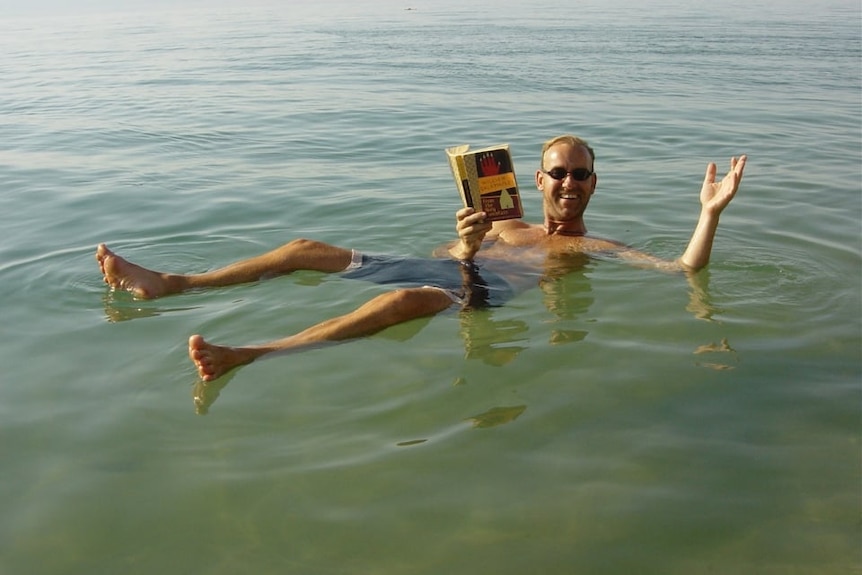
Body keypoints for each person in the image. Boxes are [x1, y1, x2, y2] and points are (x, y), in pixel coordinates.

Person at [96, 134, 747, 382]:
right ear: (540, 179)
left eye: (581, 175)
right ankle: (173, 283)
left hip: (486, 289)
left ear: (593, 184)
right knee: (303, 249)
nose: (570, 183)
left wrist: (708, 215)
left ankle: (249, 354)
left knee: (405, 304)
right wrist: (462, 243)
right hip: (449, 262)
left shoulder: (594, 246)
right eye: (558, 173)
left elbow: (682, 272)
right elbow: (446, 252)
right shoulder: (507, 220)